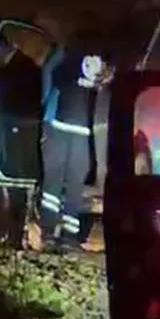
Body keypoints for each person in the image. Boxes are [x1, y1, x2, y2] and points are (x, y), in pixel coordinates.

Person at [39, 19, 112, 249]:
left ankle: (49, 232)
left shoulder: (66, 53)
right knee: (74, 184)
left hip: (60, 125)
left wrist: (43, 105)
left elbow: (51, 75)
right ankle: (68, 236)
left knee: (54, 181)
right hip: (81, 130)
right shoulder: (104, 61)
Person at [0, 35, 44, 247]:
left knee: (16, 182)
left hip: (20, 132)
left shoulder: (23, 68)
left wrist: (15, 126)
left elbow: (27, 103)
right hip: (13, 130)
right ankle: (10, 232)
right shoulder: (14, 67)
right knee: (10, 179)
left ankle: (16, 234)